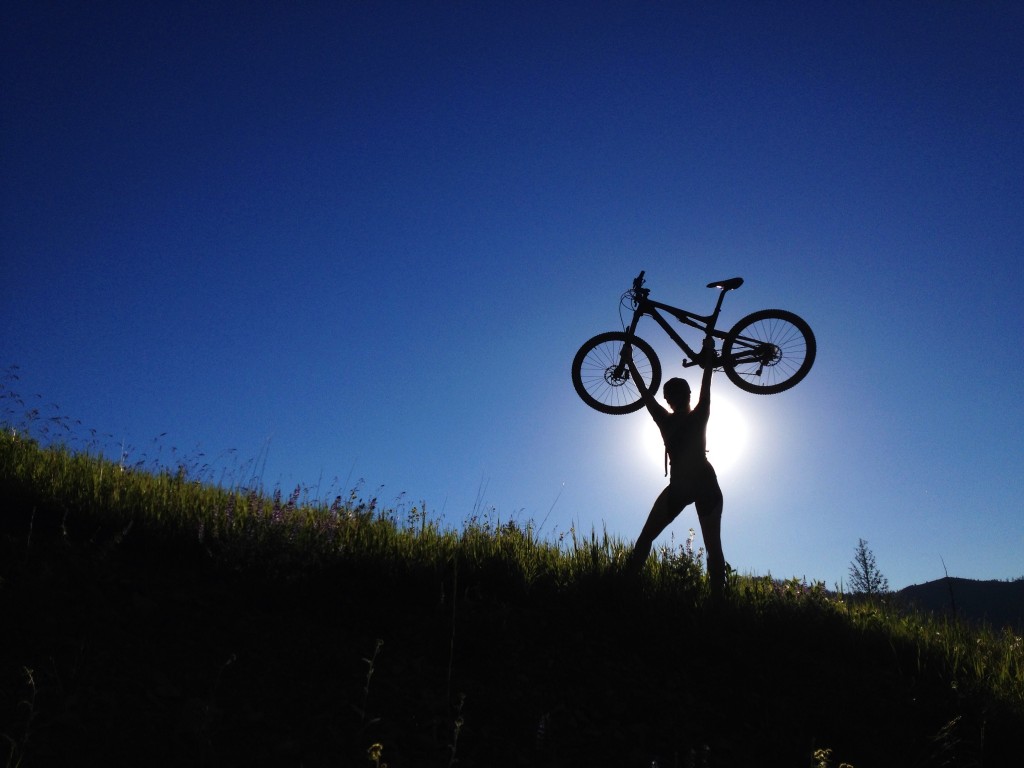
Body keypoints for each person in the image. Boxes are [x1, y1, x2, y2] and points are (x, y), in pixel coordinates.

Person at [626, 338, 725, 597]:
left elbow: (645, 393)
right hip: (700, 483)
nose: (672, 401)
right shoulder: (696, 413)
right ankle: (718, 603)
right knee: (713, 548)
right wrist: (709, 354)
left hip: (687, 484)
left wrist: (630, 361)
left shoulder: (667, 418)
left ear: (671, 400)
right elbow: (706, 382)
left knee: (646, 538)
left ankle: (624, 586)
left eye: (671, 396)